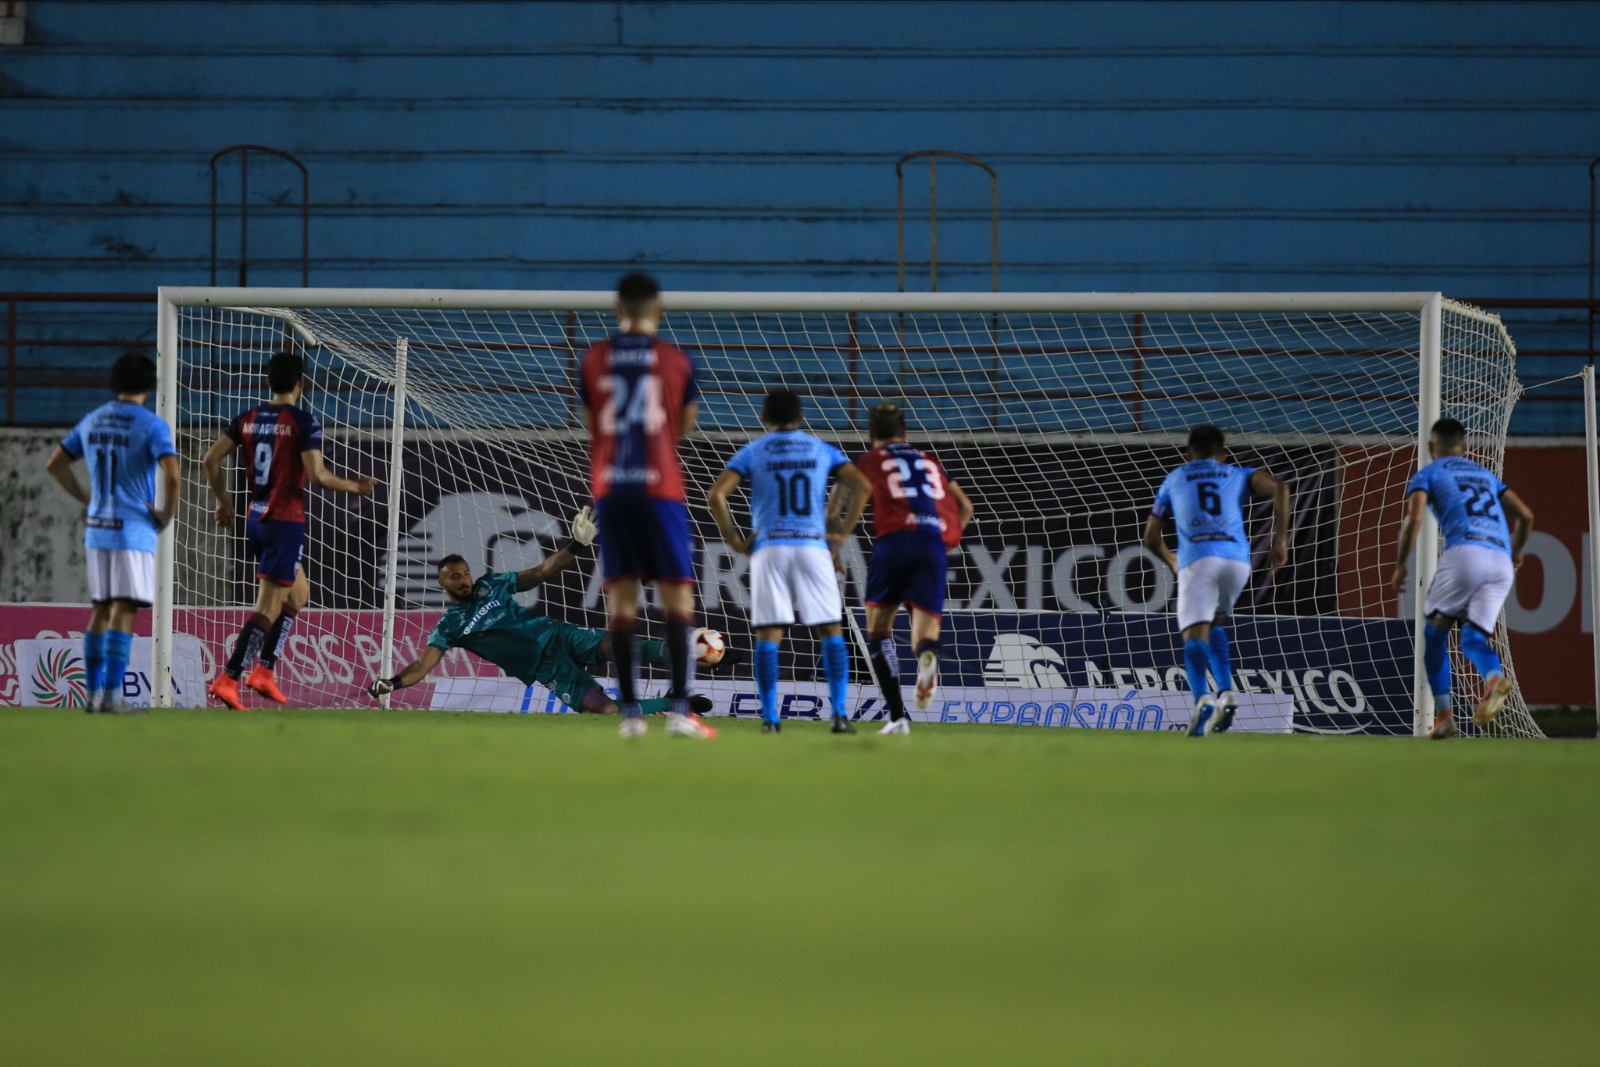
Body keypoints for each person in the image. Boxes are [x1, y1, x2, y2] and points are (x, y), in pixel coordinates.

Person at [366, 509, 716, 718]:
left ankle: (692, 652)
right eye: (454, 577)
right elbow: (422, 666)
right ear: (442, 583)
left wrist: (576, 545)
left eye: (465, 573)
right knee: (602, 709)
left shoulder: (493, 584)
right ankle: (673, 702)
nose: (464, 580)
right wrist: (392, 683)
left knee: (619, 645)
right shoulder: (450, 625)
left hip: (556, 634)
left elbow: (540, 573)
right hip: (544, 668)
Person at [578, 272, 713, 739]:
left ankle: (631, 716)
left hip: (613, 489)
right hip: (661, 490)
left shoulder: (593, 358)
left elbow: (593, 423)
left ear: (617, 310)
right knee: (677, 597)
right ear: (659, 311)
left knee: (621, 603)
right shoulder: (676, 360)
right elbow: (684, 427)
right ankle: (679, 711)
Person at [201, 351, 376, 710]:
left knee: (297, 596)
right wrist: (355, 487)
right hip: (284, 523)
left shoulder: (247, 418)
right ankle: (229, 677)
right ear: (301, 384)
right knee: (268, 605)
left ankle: (265, 671)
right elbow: (318, 476)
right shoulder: (302, 421)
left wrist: (224, 500)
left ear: (269, 382)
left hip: (255, 519)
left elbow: (210, 460)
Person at [707, 388, 872, 734]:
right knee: (830, 630)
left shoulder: (753, 450)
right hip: (812, 547)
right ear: (801, 417)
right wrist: (840, 535)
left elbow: (716, 495)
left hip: (770, 547)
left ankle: (770, 719)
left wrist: (735, 540)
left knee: (769, 635)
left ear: (764, 419)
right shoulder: (820, 448)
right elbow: (862, 486)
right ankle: (840, 714)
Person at [44, 350, 181, 713]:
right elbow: (172, 471)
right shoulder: (150, 425)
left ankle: (91, 695)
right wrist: (167, 512)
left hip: (97, 528)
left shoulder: (93, 419)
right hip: (131, 528)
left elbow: (54, 464)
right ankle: (111, 697)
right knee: (124, 608)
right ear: (150, 385)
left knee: (100, 609)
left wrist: (87, 498)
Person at [1143, 424, 1290, 737]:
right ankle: (1226, 692)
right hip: (1237, 562)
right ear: (1222, 455)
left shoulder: (1175, 478)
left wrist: (1172, 560)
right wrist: (1280, 540)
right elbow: (1281, 487)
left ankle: (1202, 700)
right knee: (1215, 624)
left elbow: (1150, 537)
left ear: (1188, 453)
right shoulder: (1237, 474)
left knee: (1193, 634)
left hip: (1200, 559)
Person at [1392, 417, 1534, 739]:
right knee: (1471, 639)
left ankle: (1444, 717)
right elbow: (1526, 516)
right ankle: (1494, 677)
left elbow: (1414, 520)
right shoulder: (1486, 475)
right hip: (1500, 562)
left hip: (1464, 555)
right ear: (1465, 447)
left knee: (1435, 639)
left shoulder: (1428, 473)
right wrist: (1515, 551)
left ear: (1430, 447)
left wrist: (1401, 564)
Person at [850, 402, 974, 735]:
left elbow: (859, 493)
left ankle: (897, 718)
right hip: (932, 544)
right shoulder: (929, 460)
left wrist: (837, 532)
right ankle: (927, 659)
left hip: (894, 542)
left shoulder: (871, 460)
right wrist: (945, 542)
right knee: (924, 636)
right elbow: (966, 506)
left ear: (871, 435)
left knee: (879, 632)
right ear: (905, 433)